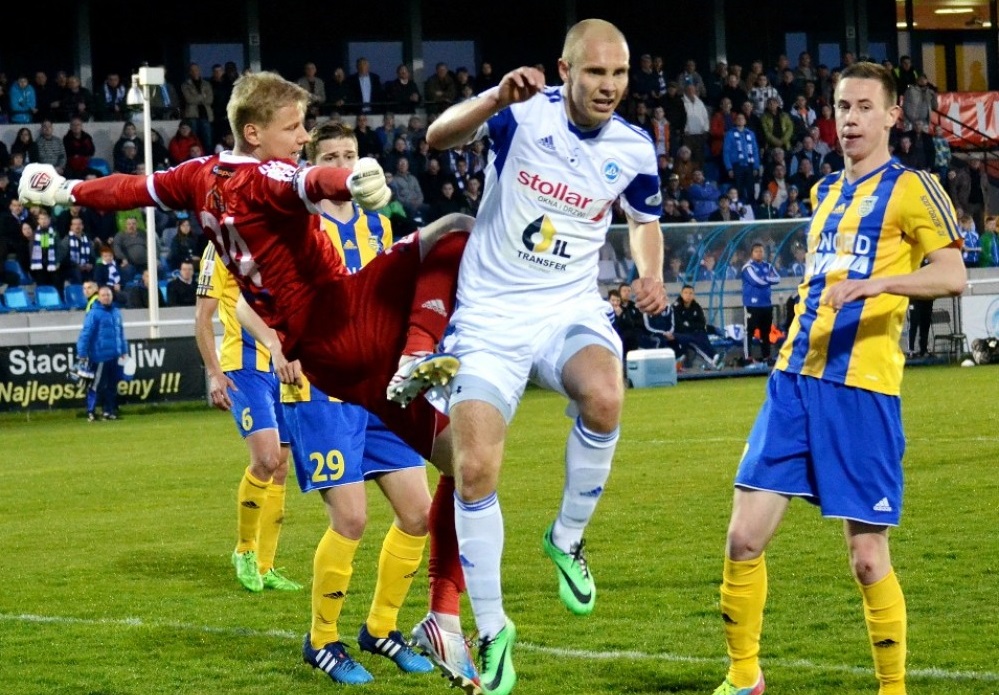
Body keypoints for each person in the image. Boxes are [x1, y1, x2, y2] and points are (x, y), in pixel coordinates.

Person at [425, 19, 666, 694]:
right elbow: (437, 136)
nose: (609, 86)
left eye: (619, 74)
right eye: (595, 72)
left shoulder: (633, 147)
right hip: (490, 317)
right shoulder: (522, 115)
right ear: (565, 71)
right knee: (474, 469)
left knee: (606, 395)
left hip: (567, 309)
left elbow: (644, 222)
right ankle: (493, 628)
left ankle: (565, 538)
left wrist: (650, 271)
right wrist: (492, 99)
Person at [712, 62, 966, 695]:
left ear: (892, 116)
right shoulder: (824, 191)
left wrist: (877, 285)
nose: (849, 119)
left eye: (863, 107)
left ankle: (892, 688)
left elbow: (953, 275)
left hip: (862, 392)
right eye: (842, 107)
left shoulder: (913, 188)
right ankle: (743, 677)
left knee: (867, 558)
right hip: (793, 380)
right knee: (743, 539)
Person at [282, 121, 471, 686]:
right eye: (331, 157)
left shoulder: (377, 221)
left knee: (417, 512)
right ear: (314, 165)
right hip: (321, 386)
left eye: (350, 155)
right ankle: (322, 641)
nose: (343, 166)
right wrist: (280, 345)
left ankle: (381, 627)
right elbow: (248, 298)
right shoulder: (294, 221)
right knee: (352, 517)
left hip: (381, 383)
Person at [194, 240, 302, 593]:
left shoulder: (278, 241)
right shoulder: (220, 247)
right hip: (243, 368)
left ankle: (266, 566)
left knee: (281, 466)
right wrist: (214, 373)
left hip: (282, 367)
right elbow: (202, 316)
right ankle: (244, 550)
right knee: (266, 458)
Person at [76, 286, 128, 421]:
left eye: (108, 295)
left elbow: (121, 333)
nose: (106, 297)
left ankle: (108, 411)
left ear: (112, 296)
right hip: (99, 356)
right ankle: (91, 411)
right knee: (96, 385)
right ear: (99, 297)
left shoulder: (116, 312)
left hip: (115, 355)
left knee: (112, 385)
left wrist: (124, 350)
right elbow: (86, 334)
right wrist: (82, 352)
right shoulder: (93, 314)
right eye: (104, 295)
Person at [741, 242, 781, 364]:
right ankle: (747, 357)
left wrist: (766, 279)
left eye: (761, 251)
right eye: (756, 251)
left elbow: (777, 278)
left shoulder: (768, 266)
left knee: (766, 332)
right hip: (752, 305)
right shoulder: (748, 267)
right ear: (751, 253)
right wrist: (768, 279)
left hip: (766, 304)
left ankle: (766, 356)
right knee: (749, 331)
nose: (759, 253)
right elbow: (756, 281)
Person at [672, 284, 723, 369]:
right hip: (679, 334)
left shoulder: (696, 307)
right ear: (681, 294)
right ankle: (713, 359)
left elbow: (702, 324)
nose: (688, 295)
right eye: (685, 293)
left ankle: (715, 357)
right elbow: (679, 326)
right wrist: (693, 326)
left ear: (693, 295)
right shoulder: (675, 307)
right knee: (694, 339)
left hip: (694, 333)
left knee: (701, 334)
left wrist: (690, 325)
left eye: (690, 293)